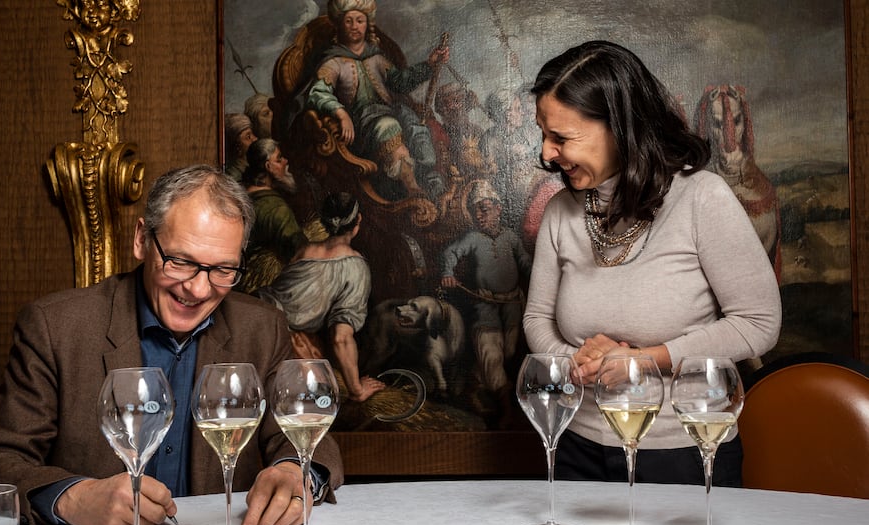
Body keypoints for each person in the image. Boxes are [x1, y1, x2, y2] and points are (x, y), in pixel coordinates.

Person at [0, 165, 343, 525]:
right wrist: (72, 498)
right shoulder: (55, 327)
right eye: (180, 261)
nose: (199, 290)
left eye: (223, 270)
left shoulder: (262, 327)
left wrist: (296, 473)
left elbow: (308, 434)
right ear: (142, 240)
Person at [522, 41, 781, 485]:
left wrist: (645, 361)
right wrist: (580, 363)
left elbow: (759, 323)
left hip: (685, 450)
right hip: (575, 445)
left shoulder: (702, 197)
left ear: (618, 128)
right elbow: (536, 319)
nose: (547, 153)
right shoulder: (560, 211)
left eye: (561, 138)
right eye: (544, 135)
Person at [306, 0, 448, 199]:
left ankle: (431, 181)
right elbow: (318, 93)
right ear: (339, 25)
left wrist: (429, 65)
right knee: (388, 125)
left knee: (415, 126)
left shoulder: (376, 58)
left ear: (367, 24)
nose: (355, 26)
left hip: (391, 113)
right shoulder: (333, 63)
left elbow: (400, 82)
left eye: (359, 20)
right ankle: (413, 190)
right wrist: (341, 113)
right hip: (362, 127)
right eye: (348, 21)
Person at [255, 192, 385, 402]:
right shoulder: (356, 267)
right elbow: (341, 337)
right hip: (279, 333)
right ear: (358, 220)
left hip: (259, 316)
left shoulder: (305, 251)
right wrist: (357, 390)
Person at [440, 179, 532, 427]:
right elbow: (450, 252)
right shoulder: (473, 238)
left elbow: (524, 261)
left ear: (499, 208)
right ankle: (506, 408)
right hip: (485, 307)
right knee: (492, 354)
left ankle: (475, 380)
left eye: (485, 209)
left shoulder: (511, 237)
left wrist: (541, 274)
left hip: (512, 306)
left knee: (508, 352)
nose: (479, 215)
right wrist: (448, 273)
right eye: (476, 211)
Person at [241, 138, 308, 277]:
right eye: (279, 159)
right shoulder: (277, 209)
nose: (285, 161)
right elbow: (302, 254)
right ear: (268, 166)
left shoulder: (241, 194)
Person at [224, 112, 257, 182]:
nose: (255, 139)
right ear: (237, 146)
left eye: (253, 134)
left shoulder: (252, 167)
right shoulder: (234, 177)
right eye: (248, 137)